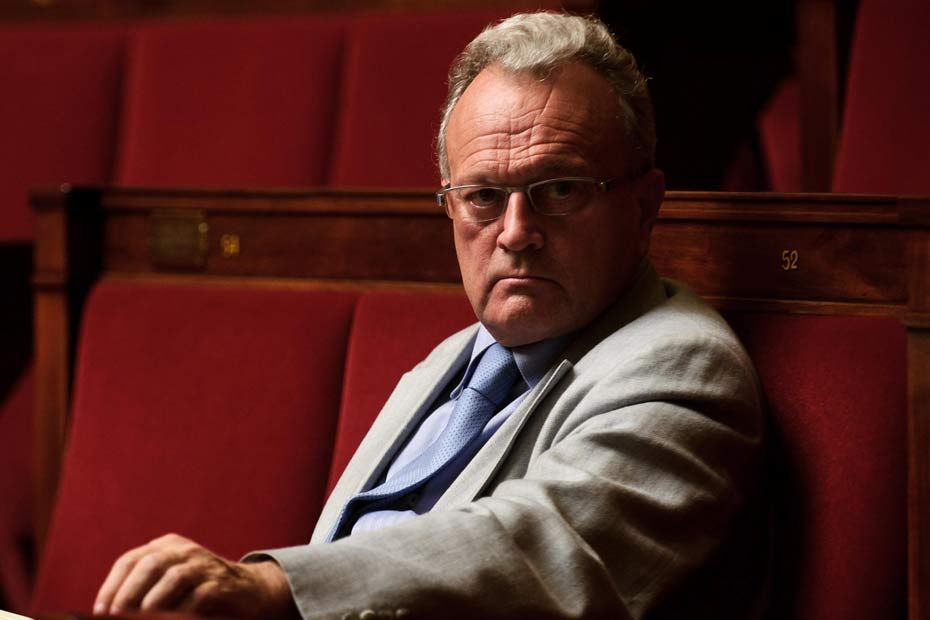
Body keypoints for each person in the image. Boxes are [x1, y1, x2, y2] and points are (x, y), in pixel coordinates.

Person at [93, 12, 766, 620]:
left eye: (560, 189)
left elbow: (541, 545)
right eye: (483, 196)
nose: (515, 231)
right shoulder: (457, 358)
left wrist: (277, 589)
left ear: (643, 206)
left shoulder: (681, 364)